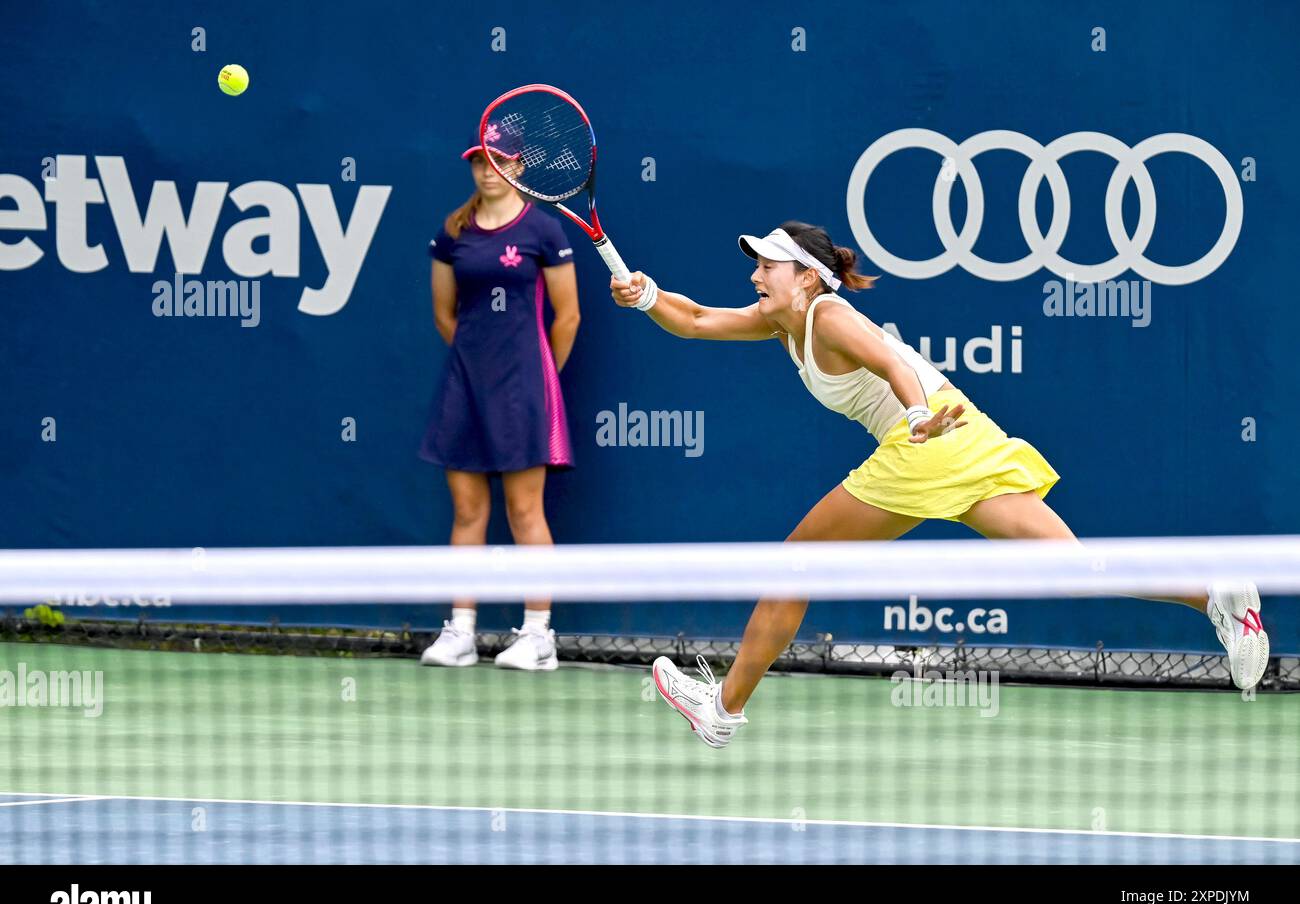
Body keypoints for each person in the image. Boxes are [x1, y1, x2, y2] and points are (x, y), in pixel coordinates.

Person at [611, 221, 1269, 747]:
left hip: (924, 443)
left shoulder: (829, 318)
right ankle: (1216, 595)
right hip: (966, 435)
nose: (754, 275)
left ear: (807, 278)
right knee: (1069, 567)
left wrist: (919, 416)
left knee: (794, 567)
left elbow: (893, 360)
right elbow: (694, 318)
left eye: (767, 265)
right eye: (754, 264)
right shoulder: (781, 320)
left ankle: (724, 709)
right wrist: (646, 296)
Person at [419, 129, 580, 672]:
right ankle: (460, 631)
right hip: (464, 384)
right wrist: (478, 367)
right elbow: (445, 314)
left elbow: (569, 315)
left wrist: (538, 380)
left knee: (523, 509)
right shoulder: (453, 231)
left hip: (525, 388)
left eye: (499, 160)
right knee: (467, 510)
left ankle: (538, 637)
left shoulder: (543, 229)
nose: (488, 170)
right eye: (479, 161)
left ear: (519, 166)